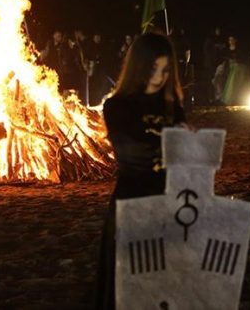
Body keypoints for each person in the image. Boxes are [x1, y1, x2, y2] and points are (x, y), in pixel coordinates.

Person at [94, 32, 188, 309]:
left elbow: (183, 156)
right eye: (153, 68)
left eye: (166, 70)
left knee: (163, 285)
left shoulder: (173, 106)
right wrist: (170, 141)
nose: (159, 77)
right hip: (133, 201)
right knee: (129, 285)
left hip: (168, 201)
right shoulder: (117, 106)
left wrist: (190, 141)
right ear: (138, 67)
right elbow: (130, 151)